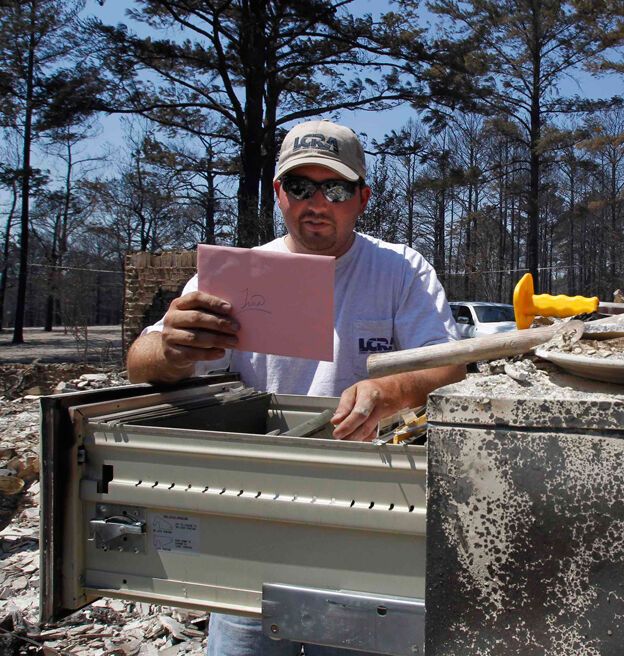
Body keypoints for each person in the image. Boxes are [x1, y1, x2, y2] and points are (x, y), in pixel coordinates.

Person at [126, 119, 465, 655]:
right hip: (258, 511)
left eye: (334, 188)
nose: (316, 202)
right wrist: (169, 349)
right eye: (300, 187)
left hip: (368, 512)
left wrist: (390, 390)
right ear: (280, 194)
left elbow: (448, 366)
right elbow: (140, 362)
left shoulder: (400, 270)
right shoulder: (240, 276)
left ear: (362, 198)